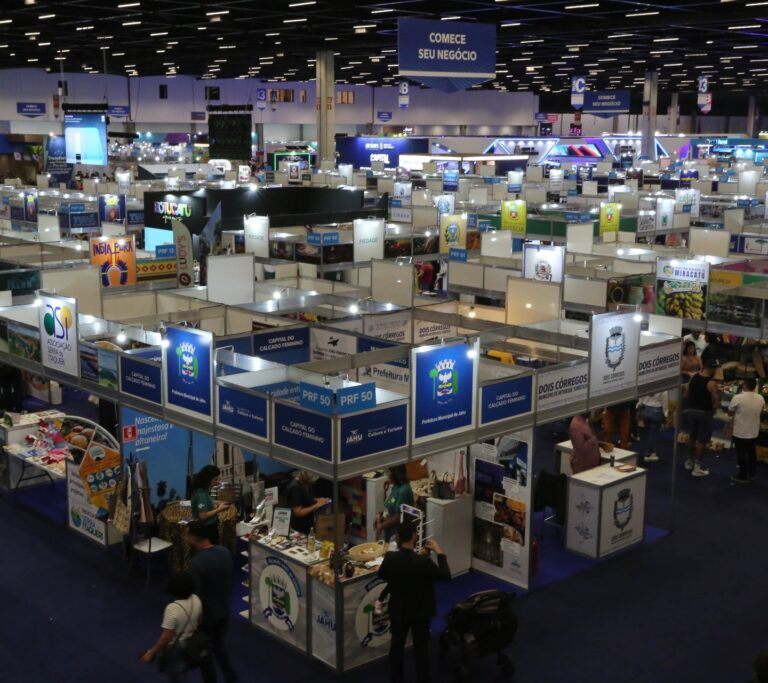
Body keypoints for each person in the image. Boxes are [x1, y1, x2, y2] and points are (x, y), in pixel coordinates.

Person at [378, 521, 451, 683]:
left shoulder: (390, 558)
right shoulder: (423, 563)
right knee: (421, 650)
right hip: (420, 612)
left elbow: (382, 575)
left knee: (397, 647)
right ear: (414, 536)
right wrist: (439, 552)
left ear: (398, 538)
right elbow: (445, 575)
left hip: (398, 610)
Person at [187, 521, 237, 683]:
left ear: (193, 537)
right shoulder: (225, 552)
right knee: (219, 646)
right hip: (224, 611)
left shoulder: (196, 564)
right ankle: (231, 677)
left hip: (206, 618)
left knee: (204, 655)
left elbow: (195, 597)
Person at [140, 571, 205, 682]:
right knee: (183, 669)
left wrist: (151, 653)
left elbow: (166, 637)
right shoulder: (196, 599)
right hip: (192, 642)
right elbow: (200, 620)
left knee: (175, 676)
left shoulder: (172, 608)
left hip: (177, 648)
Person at [683, 359, 721, 477]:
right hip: (705, 413)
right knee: (702, 441)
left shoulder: (693, 377)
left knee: (692, 437)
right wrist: (715, 407)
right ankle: (697, 468)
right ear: (711, 369)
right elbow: (717, 402)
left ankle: (689, 462)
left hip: (692, 411)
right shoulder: (712, 383)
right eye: (715, 368)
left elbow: (686, 394)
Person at [728, 378, 765, 483]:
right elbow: (761, 411)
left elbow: (730, 413)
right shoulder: (760, 398)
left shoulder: (738, 397)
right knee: (752, 452)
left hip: (740, 431)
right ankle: (752, 474)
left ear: (744, 385)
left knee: (741, 453)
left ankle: (743, 475)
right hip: (753, 431)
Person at [374, 465, 414, 541]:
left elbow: (397, 518)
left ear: (395, 473)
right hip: (390, 530)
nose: (387, 474)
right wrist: (380, 515)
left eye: (389, 471)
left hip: (398, 534)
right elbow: (390, 506)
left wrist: (380, 526)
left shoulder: (404, 491)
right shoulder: (395, 487)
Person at [191, 465, 229, 545]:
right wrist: (219, 509)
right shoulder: (201, 495)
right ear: (208, 479)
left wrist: (217, 502)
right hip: (207, 529)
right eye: (215, 479)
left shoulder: (202, 490)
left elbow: (207, 500)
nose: (217, 482)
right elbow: (203, 516)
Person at [286, 470, 330, 535]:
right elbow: (298, 512)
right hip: (300, 524)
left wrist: (317, 500)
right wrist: (316, 506)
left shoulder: (306, 483)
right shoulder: (295, 488)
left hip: (309, 520)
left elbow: (304, 497)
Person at [637, 391, 669, 463]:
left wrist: (639, 405)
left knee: (647, 432)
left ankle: (652, 451)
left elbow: (641, 396)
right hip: (656, 411)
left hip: (645, 409)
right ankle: (648, 454)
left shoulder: (646, 385)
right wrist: (666, 415)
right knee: (653, 433)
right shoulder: (662, 387)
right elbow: (665, 401)